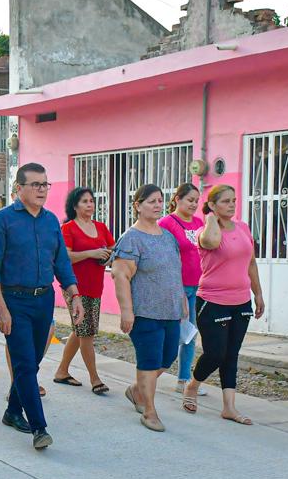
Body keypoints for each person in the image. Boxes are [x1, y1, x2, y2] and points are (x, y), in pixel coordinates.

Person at [0, 163, 83, 449]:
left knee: (33, 361)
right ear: (19, 188)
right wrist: (1, 310)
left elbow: (61, 262)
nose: (41, 190)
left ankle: (13, 411)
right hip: (15, 301)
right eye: (35, 185)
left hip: (44, 300)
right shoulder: (2, 221)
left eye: (45, 184)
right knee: (25, 363)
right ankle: (40, 427)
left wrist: (74, 295)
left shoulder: (51, 221)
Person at [182, 185, 265, 424]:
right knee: (215, 354)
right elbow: (210, 242)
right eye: (225, 201)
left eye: (234, 200)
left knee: (231, 355)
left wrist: (257, 294)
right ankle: (192, 386)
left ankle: (229, 407)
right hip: (212, 300)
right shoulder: (205, 230)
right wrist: (210, 219)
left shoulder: (243, 228)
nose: (231, 205)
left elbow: (251, 263)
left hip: (241, 301)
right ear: (213, 205)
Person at [111, 184, 188, 433]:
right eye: (151, 201)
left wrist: (183, 300)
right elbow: (120, 275)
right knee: (148, 361)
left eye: (160, 201)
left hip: (170, 310)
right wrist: (126, 311)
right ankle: (149, 411)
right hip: (144, 313)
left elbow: (175, 271)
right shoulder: (131, 238)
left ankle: (136, 391)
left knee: (167, 358)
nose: (157, 206)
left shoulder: (167, 237)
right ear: (138, 206)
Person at [52, 186, 114, 394]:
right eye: (85, 201)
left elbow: (111, 248)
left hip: (96, 284)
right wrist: (92, 253)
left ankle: (61, 371)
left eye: (92, 200)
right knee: (86, 332)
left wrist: (107, 256)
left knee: (80, 330)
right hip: (74, 286)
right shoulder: (68, 228)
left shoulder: (101, 226)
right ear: (75, 205)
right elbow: (65, 256)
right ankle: (95, 379)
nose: (90, 204)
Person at [160, 183, 205, 391]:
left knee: (190, 333)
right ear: (177, 199)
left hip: (198, 286)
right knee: (173, 333)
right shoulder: (166, 223)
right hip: (176, 287)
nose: (194, 204)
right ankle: (149, 373)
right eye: (190, 200)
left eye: (197, 200)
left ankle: (183, 379)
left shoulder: (198, 222)